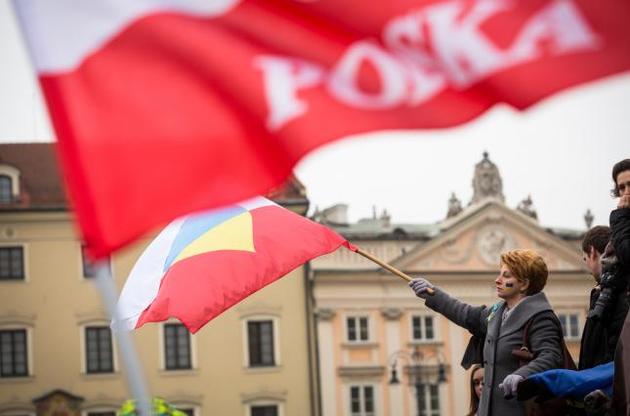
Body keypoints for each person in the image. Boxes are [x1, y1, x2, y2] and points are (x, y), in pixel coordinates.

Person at [409, 249, 564, 416]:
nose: (498, 280)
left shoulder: (541, 317)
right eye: (500, 274)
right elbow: (466, 314)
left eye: (506, 276)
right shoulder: (497, 313)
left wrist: (523, 375)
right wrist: (432, 294)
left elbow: (551, 356)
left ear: (524, 284)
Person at [579, 225, 629, 370]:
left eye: (585, 259)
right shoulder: (621, 287)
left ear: (592, 252)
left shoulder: (607, 295)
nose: (588, 267)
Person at [608, 159, 630, 415]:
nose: (625, 193)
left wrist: (620, 219)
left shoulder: (622, 221)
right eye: (621, 187)